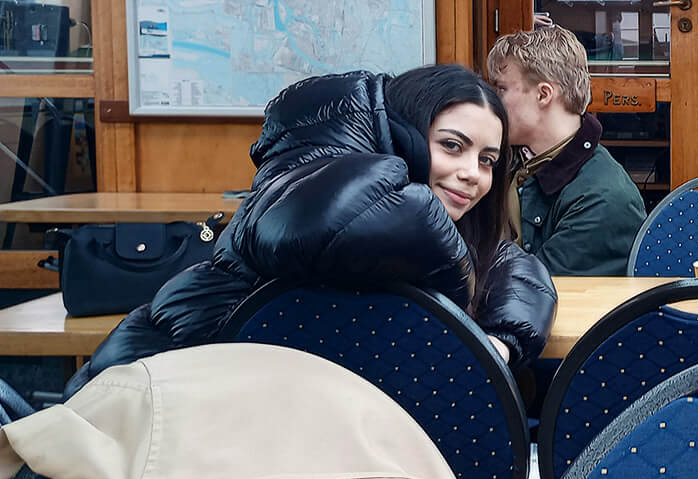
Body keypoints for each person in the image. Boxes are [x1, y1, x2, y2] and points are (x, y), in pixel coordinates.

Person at [70, 64, 557, 390]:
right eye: (452, 146)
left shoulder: (422, 218)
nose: (473, 173)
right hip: (136, 406)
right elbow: (334, 219)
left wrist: (498, 341)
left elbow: (514, 263)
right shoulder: (299, 193)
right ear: (404, 139)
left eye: (488, 160)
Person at [486, 22, 646, 276]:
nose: (491, 101)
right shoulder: (512, 158)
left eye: (501, 89)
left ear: (543, 94)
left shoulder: (603, 199)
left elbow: (536, 291)